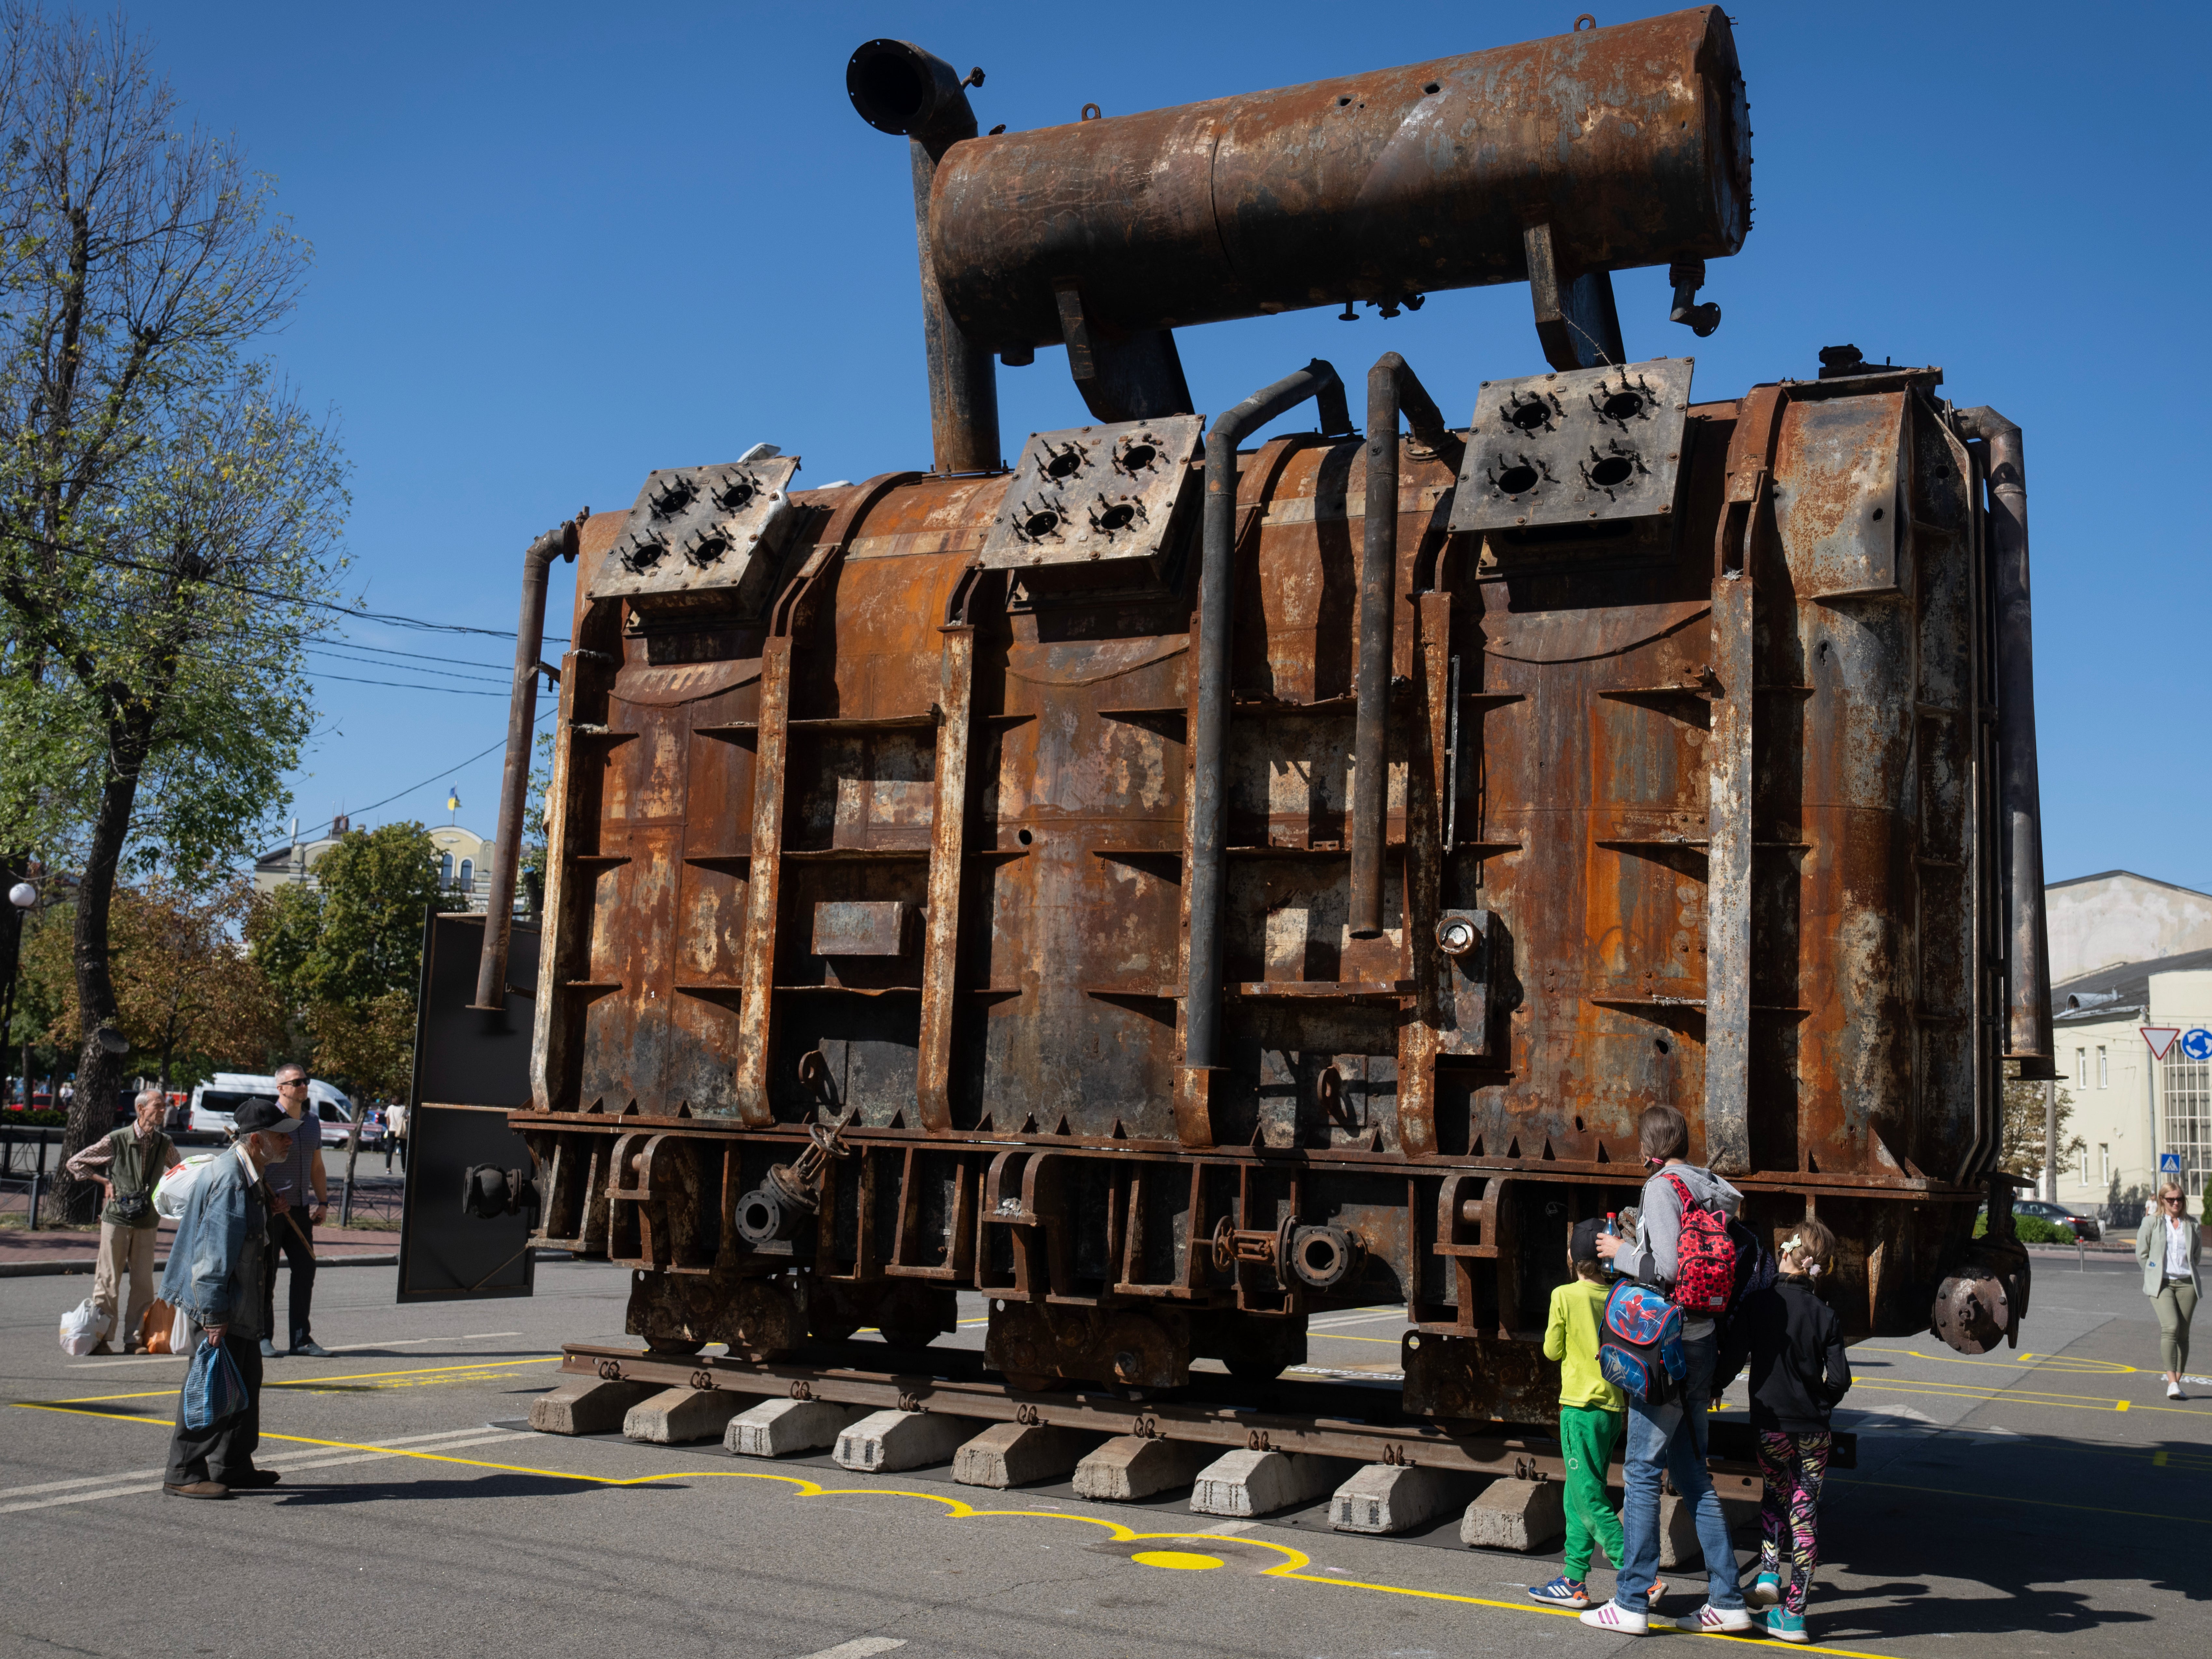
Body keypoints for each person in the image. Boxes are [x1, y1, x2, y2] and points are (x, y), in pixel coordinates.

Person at [1584, 1104, 1751, 1636]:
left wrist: (1620, 1251)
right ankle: (1726, 1598)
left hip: (1668, 1346)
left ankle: (1630, 1599)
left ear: (1647, 1146)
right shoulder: (1708, 1185)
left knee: (1638, 1471)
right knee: (1692, 1474)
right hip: (1703, 1340)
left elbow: (1669, 1270)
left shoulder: (1660, 1186)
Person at [1717, 1217, 1851, 1644]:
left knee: (1773, 1496)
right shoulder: (1826, 1314)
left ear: (1787, 1252)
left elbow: (1733, 1356)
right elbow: (1840, 1378)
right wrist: (1821, 1402)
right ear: (1817, 1265)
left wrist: (1711, 1384)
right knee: (1804, 1511)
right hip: (1813, 1430)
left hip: (1769, 1424)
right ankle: (1793, 1615)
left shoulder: (1759, 1303)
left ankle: (1770, 1575)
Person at [160, 1097, 296, 1498]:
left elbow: (243, 1238)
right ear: (256, 1140)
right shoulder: (232, 1180)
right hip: (223, 1303)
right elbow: (211, 1258)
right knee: (210, 1383)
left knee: (245, 1380)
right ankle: (183, 1470)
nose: (288, 1142)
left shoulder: (247, 1172)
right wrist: (214, 1314)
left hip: (240, 1302)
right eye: (280, 1136)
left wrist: (269, 1211)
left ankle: (231, 1463)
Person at [1528, 1217, 1659, 1610]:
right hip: (1612, 1409)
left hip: (1579, 1407)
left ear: (1571, 1257)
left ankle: (1641, 1577)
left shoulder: (1564, 1295)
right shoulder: (1618, 1294)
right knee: (1577, 1492)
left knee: (1586, 1495)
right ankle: (1573, 1578)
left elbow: (1552, 1350)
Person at [64, 1088, 183, 1353]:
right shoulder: (116, 1140)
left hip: (147, 1220)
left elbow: (180, 1171)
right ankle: (101, 1339)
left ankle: (135, 1340)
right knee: (108, 1280)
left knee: (143, 1282)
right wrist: (104, 1181)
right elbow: (75, 1163)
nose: (164, 1110)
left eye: (164, 1106)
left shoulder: (164, 1142)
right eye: (159, 1106)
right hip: (117, 1218)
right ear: (142, 1110)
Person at [259, 1063, 330, 1358]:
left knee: (306, 1270)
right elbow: (254, 1163)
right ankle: (262, 1336)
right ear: (281, 1088)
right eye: (297, 1082)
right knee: (267, 1274)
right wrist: (267, 1198)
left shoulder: (313, 1122)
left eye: (306, 1080)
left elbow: (317, 1166)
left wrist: (323, 1203)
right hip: (271, 1211)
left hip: (301, 1210)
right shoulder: (267, 1120)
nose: (303, 1085)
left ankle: (301, 1339)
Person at [2136, 1181, 2200, 1400]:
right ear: (2162, 1200)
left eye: (2179, 1199)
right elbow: (2141, 1253)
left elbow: (2196, 1256)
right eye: (2171, 1199)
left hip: (2187, 1284)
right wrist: (2152, 1272)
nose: (2175, 1203)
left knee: (2183, 1333)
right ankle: (2171, 1381)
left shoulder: (2191, 1224)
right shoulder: (2151, 1222)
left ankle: (2177, 1383)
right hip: (2161, 1284)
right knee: (2170, 1327)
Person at [384, 1097, 407, 1174]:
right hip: (401, 1131)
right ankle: (404, 1168)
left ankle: (388, 1168)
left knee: (390, 1150)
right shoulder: (404, 1108)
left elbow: (388, 1118)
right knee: (403, 1150)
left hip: (392, 1130)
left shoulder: (390, 1108)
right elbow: (408, 1118)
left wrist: (389, 1127)